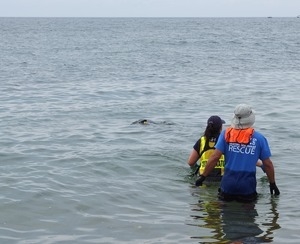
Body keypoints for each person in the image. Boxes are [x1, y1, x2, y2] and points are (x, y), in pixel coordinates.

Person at [195, 104, 280, 202]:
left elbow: (215, 157)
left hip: (228, 185)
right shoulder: (259, 139)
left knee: (226, 213)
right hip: (247, 187)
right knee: (248, 214)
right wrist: (272, 183)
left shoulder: (225, 135)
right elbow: (268, 164)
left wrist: (203, 177)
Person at [188, 115, 225, 181]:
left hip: (203, 178)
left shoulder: (202, 141)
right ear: (220, 127)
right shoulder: (224, 140)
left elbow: (191, 162)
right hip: (221, 179)